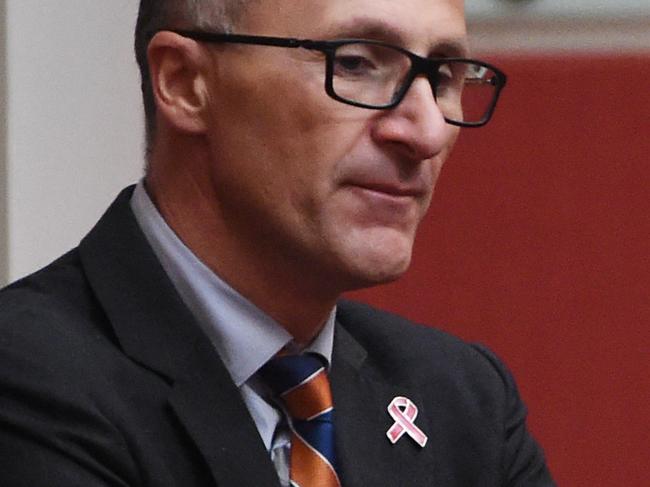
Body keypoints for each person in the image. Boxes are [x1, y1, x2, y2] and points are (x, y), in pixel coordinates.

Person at [0, 0, 555, 485]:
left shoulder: (463, 399)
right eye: (357, 63)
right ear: (184, 82)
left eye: (442, 77)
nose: (426, 131)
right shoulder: (30, 381)